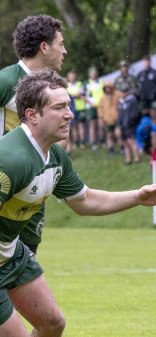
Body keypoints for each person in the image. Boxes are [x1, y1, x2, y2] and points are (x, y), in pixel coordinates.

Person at [0, 68, 156, 337]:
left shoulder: (54, 155)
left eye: (69, 106)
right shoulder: (12, 159)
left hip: (10, 253)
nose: (70, 114)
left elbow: (84, 201)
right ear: (32, 115)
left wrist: (137, 197)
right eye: (59, 107)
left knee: (52, 323)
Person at [0, 15, 67, 256]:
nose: (65, 51)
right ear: (44, 47)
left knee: (26, 264)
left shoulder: (51, 88)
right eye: (61, 44)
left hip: (34, 187)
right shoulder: (7, 80)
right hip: (7, 186)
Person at [116, 83, 141, 164]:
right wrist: (119, 123)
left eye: (125, 91)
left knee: (131, 141)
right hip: (123, 125)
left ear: (128, 91)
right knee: (125, 142)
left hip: (130, 125)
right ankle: (128, 159)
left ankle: (137, 158)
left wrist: (130, 122)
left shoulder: (132, 100)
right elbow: (120, 113)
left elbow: (135, 114)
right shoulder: (121, 101)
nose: (123, 93)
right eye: (122, 91)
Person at [97, 81, 121, 156]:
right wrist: (101, 117)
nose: (108, 89)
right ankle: (111, 150)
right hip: (107, 120)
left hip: (117, 118)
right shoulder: (102, 98)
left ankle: (122, 147)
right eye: (106, 88)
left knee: (118, 134)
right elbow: (100, 108)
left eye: (109, 87)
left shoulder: (118, 95)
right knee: (109, 135)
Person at [137, 55, 156, 125]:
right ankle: (146, 135)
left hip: (153, 99)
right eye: (145, 62)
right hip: (143, 99)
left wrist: (153, 93)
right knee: (144, 117)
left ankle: (154, 134)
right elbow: (137, 85)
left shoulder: (155, 73)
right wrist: (140, 94)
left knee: (154, 117)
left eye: (147, 61)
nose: (146, 63)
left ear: (150, 62)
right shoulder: (140, 74)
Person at [65, 69, 86, 149]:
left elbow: (81, 94)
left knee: (81, 126)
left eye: (73, 76)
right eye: (70, 76)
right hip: (71, 109)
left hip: (80, 108)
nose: (71, 77)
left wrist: (72, 95)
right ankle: (75, 143)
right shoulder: (66, 85)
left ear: (75, 76)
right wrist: (75, 95)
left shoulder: (80, 84)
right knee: (73, 127)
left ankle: (82, 142)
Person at [85, 67, 104, 148]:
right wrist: (89, 102)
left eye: (95, 73)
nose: (94, 74)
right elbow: (82, 95)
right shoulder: (86, 83)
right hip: (91, 107)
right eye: (92, 73)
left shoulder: (101, 82)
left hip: (100, 106)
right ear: (89, 74)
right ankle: (94, 143)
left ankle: (102, 141)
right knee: (93, 125)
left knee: (101, 124)